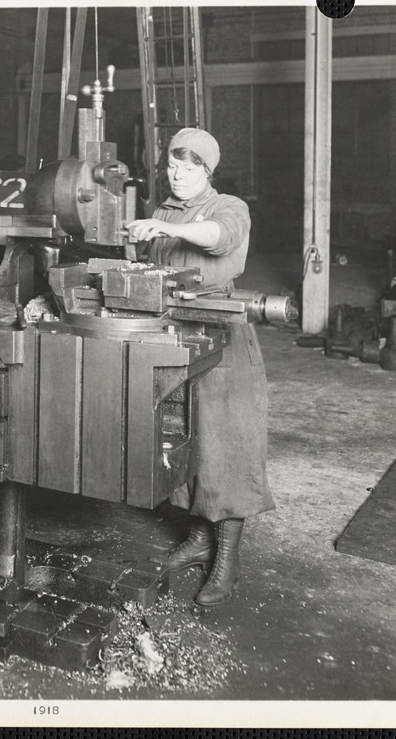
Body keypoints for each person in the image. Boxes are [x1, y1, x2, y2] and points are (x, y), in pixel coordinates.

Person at [126, 127, 275, 608]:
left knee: (228, 446)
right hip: (174, 334)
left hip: (222, 336)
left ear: (208, 172)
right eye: (173, 164)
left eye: (191, 167)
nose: (179, 174)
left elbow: (217, 239)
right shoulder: (164, 209)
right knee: (184, 438)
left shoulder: (227, 207)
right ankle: (198, 537)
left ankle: (226, 557)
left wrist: (170, 229)